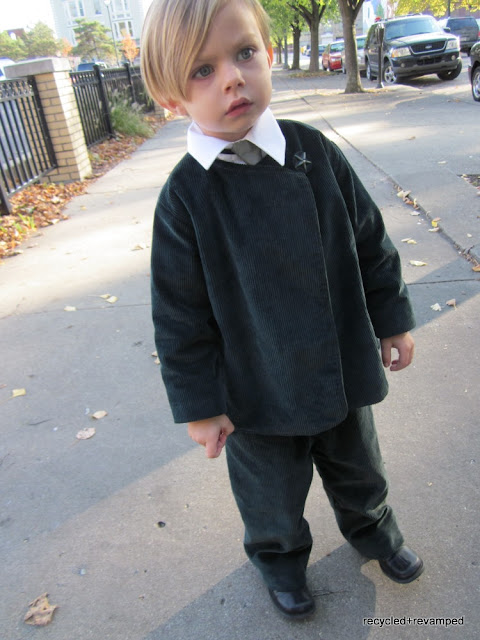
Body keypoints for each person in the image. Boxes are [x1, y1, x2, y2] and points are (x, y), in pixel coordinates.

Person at [141, 0, 424, 620]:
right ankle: (280, 562)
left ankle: (376, 532)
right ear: (171, 98)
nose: (232, 79)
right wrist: (200, 406)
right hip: (255, 390)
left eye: (244, 54)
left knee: (360, 470)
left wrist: (392, 319)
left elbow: (369, 241)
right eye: (202, 71)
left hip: (338, 364)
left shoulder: (313, 152)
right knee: (269, 496)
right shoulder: (185, 198)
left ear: (268, 55)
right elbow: (178, 316)